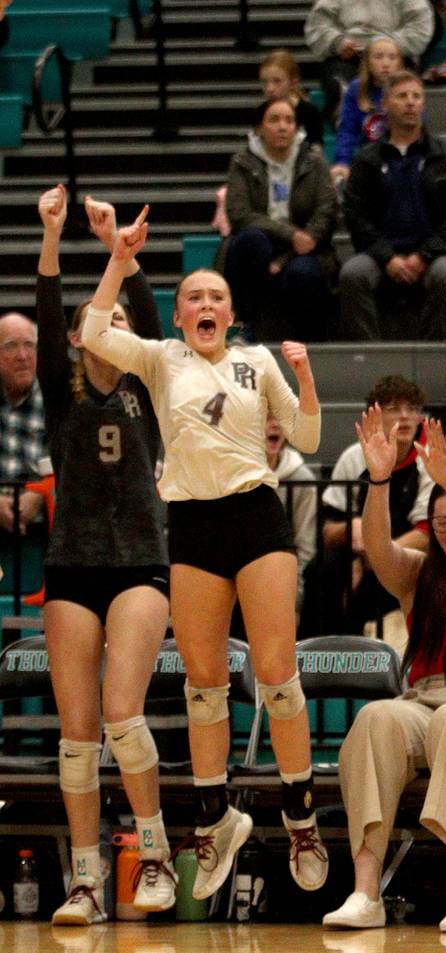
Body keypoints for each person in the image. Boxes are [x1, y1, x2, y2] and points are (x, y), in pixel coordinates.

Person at [81, 209, 329, 902]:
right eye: (194, 297)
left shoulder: (257, 361)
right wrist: (118, 258)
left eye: (216, 296)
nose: (205, 304)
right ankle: (217, 817)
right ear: (182, 313)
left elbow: (307, 435)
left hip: (256, 515)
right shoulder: (162, 358)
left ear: (231, 310)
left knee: (278, 675)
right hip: (191, 524)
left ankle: (301, 816)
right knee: (203, 682)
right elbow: (93, 332)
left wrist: (306, 377)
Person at [35, 187, 174, 925]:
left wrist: (123, 252)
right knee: (77, 733)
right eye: (100, 322)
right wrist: (55, 237)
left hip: (141, 562)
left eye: (117, 321)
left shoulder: (149, 389)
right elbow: (53, 306)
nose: (111, 328)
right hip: (72, 567)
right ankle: (86, 881)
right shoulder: (63, 394)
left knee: (124, 713)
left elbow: (148, 320)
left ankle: (152, 854)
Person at [324, 414, 446, 933]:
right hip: (427, 699)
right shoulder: (419, 573)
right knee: (376, 719)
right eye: (442, 525)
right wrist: (378, 480)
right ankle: (365, 892)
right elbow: (379, 548)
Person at [339, 71, 446, 340]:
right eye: (402, 96)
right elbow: (356, 217)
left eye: (416, 96)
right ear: (385, 104)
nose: (411, 103)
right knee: (352, 274)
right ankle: (373, 356)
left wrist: (423, 255)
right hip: (381, 255)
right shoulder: (366, 160)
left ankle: (430, 351)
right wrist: (388, 257)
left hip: (436, 252)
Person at [312, 375, 434, 634]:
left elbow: (426, 533)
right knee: (320, 570)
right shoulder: (353, 458)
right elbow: (325, 531)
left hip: (401, 556)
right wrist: (350, 528)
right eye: (394, 408)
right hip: (356, 556)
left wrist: (375, 558)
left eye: (412, 409)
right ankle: (323, 652)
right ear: (374, 415)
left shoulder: (428, 460)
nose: (405, 416)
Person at [219, 98, 338, 342]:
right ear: (259, 128)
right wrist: (291, 235)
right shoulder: (242, 161)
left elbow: (327, 210)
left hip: (305, 248)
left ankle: (306, 341)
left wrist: (289, 254)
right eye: (274, 120)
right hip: (264, 240)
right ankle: (246, 328)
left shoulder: (313, 160)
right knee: (250, 241)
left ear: (296, 127)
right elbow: (239, 214)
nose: (283, 126)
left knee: (303, 273)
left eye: (289, 120)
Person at [305, 0, 434, 124]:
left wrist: (388, 44)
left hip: (394, 52)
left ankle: (402, 127)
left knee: (404, 81)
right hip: (348, 56)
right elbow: (317, 24)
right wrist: (337, 42)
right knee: (337, 80)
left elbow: (420, 25)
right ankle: (344, 122)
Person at [266, 416, 320, 612]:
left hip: (284, 573)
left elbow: (305, 545)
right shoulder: (231, 473)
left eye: (279, 417)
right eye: (265, 417)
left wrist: (293, 600)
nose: (274, 424)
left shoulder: (302, 478)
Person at [0, 310, 44, 539]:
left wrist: (41, 493)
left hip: (48, 535)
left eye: (29, 345)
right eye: (10, 346)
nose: (22, 355)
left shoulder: (58, 401)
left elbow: (74, 460)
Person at [333, 37, 403, 180]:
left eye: (392, 57)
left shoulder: (406, 89)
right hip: (367, 162)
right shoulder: (356, 89)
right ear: (367, 63)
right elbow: (347, 130)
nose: (385, 64)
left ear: (399, 63)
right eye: (378, 57)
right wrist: (343, 162)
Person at [259, 49, 327, 151]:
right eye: (265, 82)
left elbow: (316, 151)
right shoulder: (261, 112)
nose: (270, 88)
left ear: (293, 81)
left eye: (277, 81)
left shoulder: (310, 113)